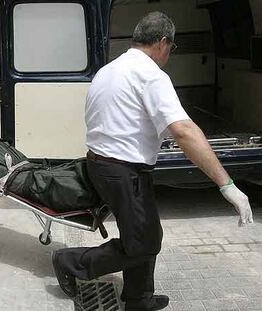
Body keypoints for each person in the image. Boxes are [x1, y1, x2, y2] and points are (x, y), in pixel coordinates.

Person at [51, 12, 253, 311]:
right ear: (163, 42)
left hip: (105, 165)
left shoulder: (111, 69)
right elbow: (184, 131)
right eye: (172, 48)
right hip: (122, 170)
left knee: (143, 233)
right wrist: (227, 185)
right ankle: (71, 261)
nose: (170, 54)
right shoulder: (150, 75)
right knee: (144, 243)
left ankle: (139, 298)